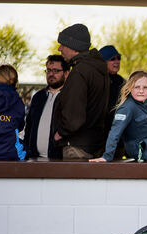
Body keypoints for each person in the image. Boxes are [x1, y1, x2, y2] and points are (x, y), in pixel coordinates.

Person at [52, 23, 110, 160]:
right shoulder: (98, 69)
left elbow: (74, 118)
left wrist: (60, 133)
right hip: (94, 145)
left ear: (74, 47)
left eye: (63, 45)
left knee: (73, 182)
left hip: (76, 148)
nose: (60, 49)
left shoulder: (79, 72)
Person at [24, 55, 69, 159]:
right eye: (48, 70)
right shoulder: (38, 97)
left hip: (60, 159)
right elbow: (29, 126)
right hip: (34, 158)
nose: (51, 74)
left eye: (56, 71)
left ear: (66, 74)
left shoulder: (70, 97)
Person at [99, 45, 126, 157]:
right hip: (99, 139)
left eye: (118, 58)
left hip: (118, 137)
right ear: (103, 61)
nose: (117, 61)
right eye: (112, 59)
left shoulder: (122, 82)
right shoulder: (98, 80)